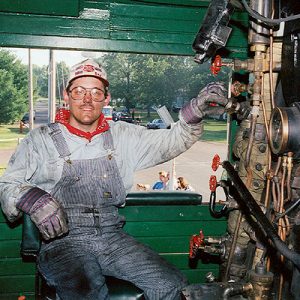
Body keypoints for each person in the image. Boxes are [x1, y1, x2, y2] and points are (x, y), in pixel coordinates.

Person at [0, 59, 227, 299]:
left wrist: (195, 112)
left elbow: (173, 140)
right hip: (63, 242)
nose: (87, 100)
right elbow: (7, 185)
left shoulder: (124, 136)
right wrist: (31, 198)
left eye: (96, 92)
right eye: (79, 91)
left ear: (106, 99)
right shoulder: (40, 140)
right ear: (66, 96)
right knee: (87, 292)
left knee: (172, 285)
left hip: (112, 237)